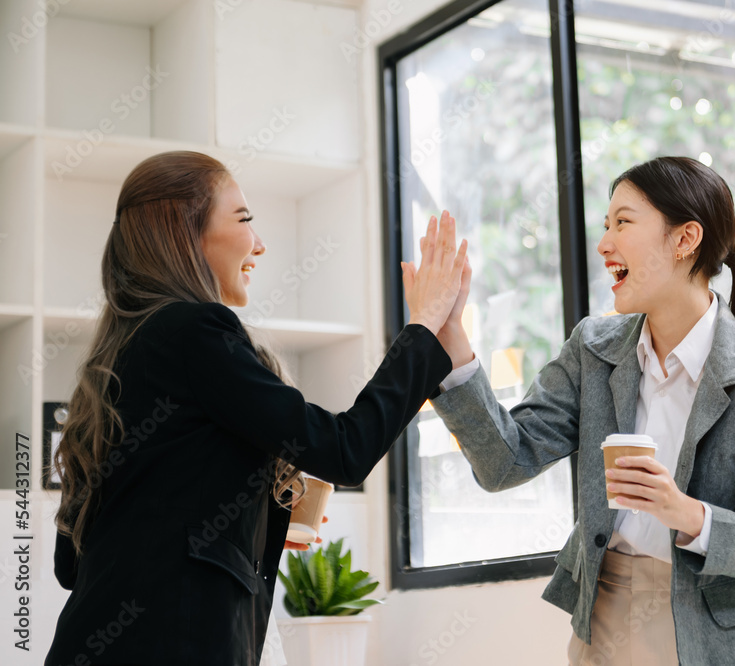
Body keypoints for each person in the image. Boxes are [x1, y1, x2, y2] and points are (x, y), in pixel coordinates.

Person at [45, 151, 467, 666]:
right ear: (186, 231)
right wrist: (422, 329)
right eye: (244, 219)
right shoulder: (194, 331)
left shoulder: (121, 351)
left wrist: (243, 524)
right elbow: (344, 448)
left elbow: (74, 563)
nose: (260, 244)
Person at [421, 156, 735, 665]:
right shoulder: (594, 348)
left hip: (711, 635)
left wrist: (688, 515)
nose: (604, 243)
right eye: (605, 224)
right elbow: (506, 461)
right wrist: (453, 339)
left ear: (685, 239)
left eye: (623, 222)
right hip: (602, 614)